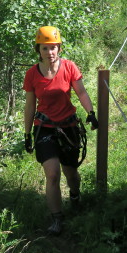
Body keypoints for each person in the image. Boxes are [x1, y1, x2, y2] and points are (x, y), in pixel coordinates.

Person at [22, 26, 99, 235]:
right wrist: (27, 133)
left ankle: (75, 195)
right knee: (53, 174)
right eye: (45, 48)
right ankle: (57, 218)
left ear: (59, 48)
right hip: (44, 128)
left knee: (71, 173)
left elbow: (81, 92)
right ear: (38, 49)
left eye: (53, 48)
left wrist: (90, 112)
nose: (50, 52)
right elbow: (30, 106)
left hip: (68, 127)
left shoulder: (69, 67)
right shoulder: (32, 74)